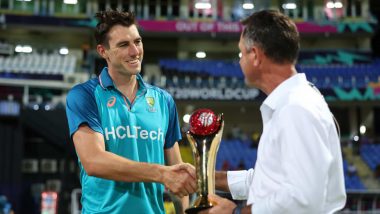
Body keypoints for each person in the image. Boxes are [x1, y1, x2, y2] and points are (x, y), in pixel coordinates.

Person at [201, 10, 347, 214]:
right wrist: (209, 177)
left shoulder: (296, 108)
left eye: (242, 53)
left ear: (256, 56)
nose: (240, 61)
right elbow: (270, 182)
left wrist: (236, 213)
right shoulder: (294, 103)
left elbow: (303, 199)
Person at [65, 10, 196, 214]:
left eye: (138, 41)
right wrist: (161, 173)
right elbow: (93, 161)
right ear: (103, 51)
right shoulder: (85, 95)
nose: (135, 52)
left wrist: (184, 212)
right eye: (124, 45)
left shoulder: (163, 101)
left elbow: (176, 173)